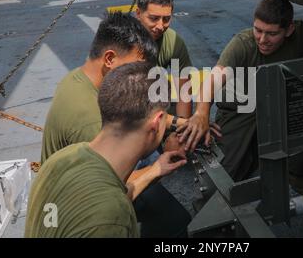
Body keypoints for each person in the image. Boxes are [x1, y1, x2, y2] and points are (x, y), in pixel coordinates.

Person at [40, 13, 191, 237]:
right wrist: (157, 167)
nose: (140, 76)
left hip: (66, 195)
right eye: (136, 68)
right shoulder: (89, 118)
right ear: (110, 59)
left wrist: (179, 122)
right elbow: (114, 188)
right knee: (176, 220)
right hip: (83, 207)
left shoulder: (80, 78)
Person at [179, 0, 303, 184]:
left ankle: (294, 176)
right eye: (258, 30)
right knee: (218, 181)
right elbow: (214, 78)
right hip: (241, 108)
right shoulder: (242, 44)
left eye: (272, 33)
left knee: (296, 163)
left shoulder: (302, 34)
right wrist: (201, 113)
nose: (262, 39)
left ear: (289, 30)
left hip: (278, 102)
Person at [136, 0, 193, 118]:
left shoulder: (173, 42)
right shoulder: (122, 40)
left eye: (166, 19)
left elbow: (183, 94)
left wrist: (180, 131)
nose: (160, 26)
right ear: (138, 14)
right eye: (153, 18)